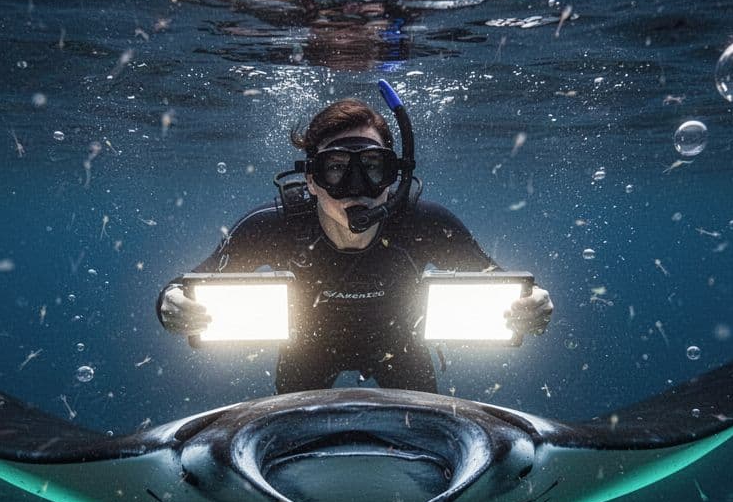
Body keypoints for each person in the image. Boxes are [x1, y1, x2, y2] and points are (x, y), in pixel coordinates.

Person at [157, 92, 552, 395]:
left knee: (425, 434)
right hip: (308, 352)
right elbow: (183, 287)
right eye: (336, 169)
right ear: (311, 181)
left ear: (394, 177)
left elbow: (505, 285)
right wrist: (171, 305)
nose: (356, 188)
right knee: (293, 441)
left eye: (373, 168)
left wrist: (532, 304)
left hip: (400, 347)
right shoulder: (276, 226)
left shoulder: (424, 224)